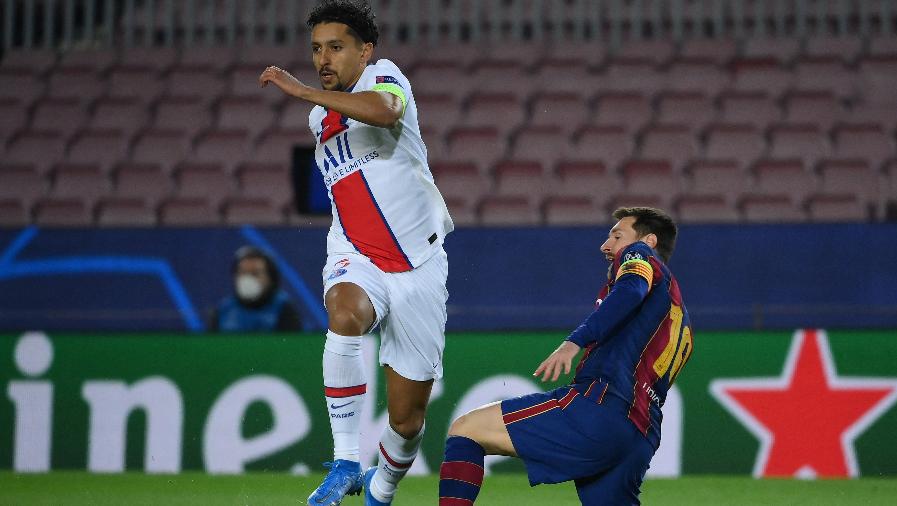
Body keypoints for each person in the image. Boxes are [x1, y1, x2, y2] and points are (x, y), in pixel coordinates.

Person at [259, 1, 453, 505]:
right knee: (344, 314)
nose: (324, 58)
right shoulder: (318, 116)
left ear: (364, 51)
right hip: (355, 251)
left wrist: (304, 90)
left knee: (407, 421)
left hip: (420, 263)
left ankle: (380, 491)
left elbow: (385, 112)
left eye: (336, 47)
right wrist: (313, 98)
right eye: (317, 49)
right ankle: (345, 461)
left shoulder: (385, 78)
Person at [438, 207, 693, 506]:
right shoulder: (678, 313)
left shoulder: (639, 255)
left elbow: (631, 290)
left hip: (601, 408)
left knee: (466, 430)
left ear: (649, 240)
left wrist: (574, 342)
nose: (606, 245)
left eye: (616, 235)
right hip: (639, 436)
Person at [210, 245, 301, 332]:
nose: (248, 279)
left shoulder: (284, 309)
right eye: (243, 273)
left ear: (270, 277)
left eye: (255, 273)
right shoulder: (223, 311)